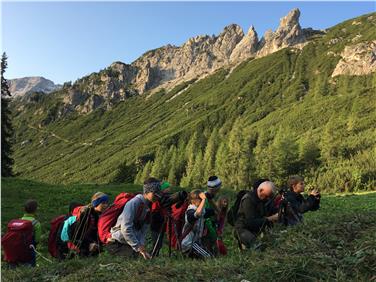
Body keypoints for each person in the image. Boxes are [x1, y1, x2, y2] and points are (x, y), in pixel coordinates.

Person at [107, 177, 162, 259]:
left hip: (128, 243)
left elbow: (143, 230)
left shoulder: (148, 207)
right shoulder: (133, 203)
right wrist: (138, 247)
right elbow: (125, 228)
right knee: (135, 258)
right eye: (155, 193)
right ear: (146, 191)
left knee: (143, 257)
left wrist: (141, 245)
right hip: (117, 243)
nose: (157, 196)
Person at [234, 181, 278, 250]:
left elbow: (271, 211)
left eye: (269, 197)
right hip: (243, 229)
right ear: (260, 190)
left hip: (256, 230)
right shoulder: (248, 199)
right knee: (258, 246)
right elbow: (250, 222)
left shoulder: (264, 199)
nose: (267, 198)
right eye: (266, 196)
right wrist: (269, 219)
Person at [68, 192, 109, 257]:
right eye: (103, 203)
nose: (106, 205)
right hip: (79, 243)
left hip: (89, 240)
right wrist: (89, 244)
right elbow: (76, 234)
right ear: (96, 204)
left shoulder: (98, 214)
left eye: (107, 203)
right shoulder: (86, 215)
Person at [181, 190, 215, 258]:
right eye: (201, 199)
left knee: (212, 255)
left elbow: (215, 211)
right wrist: (204, 199)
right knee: (209, 257)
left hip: (196, 243)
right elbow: (197, 214)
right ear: (195, 200)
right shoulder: (190, 211)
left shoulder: (202, 211)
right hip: (189, 244)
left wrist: (210, 199)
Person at [202, 176, 222, 255]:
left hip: (211, 226)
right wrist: (214, 212)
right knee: (207, 245)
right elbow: (204, 213)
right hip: (206, 228)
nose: (220, 189)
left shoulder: (210, 197)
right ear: (214, 188)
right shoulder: (204, 197)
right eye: (219, 187)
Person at [21, 199, 42, 267]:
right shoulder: (36, 223)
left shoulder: (19, 220)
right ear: (35, 210)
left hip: (18, 249)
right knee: (31, 267)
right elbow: (37, 239)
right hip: (30, 249)